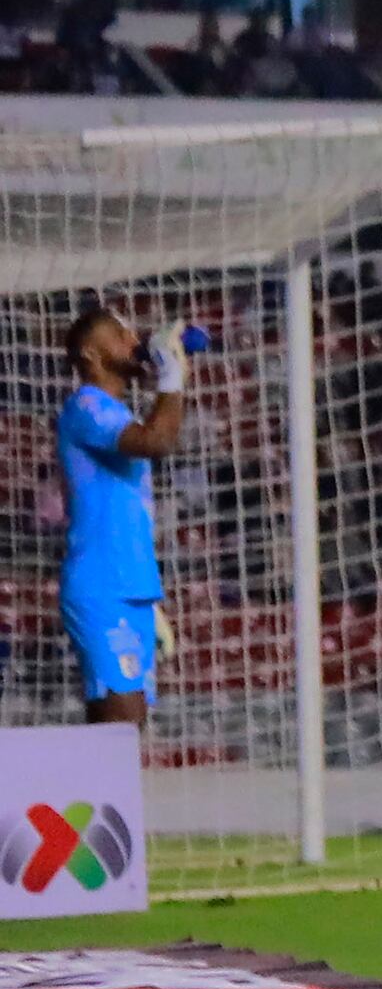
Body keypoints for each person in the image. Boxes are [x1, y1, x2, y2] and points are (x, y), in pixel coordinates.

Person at [56, 305, 195, 726]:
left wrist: (146, 600)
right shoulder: (86, 406)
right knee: (120, 726)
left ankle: (76, 792)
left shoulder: (117, 414)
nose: (135, 342)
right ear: (91, 355)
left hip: (130, 586)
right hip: (102, 586)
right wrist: (171, 378)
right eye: (121, 336)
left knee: (120, 732)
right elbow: (156, 442)